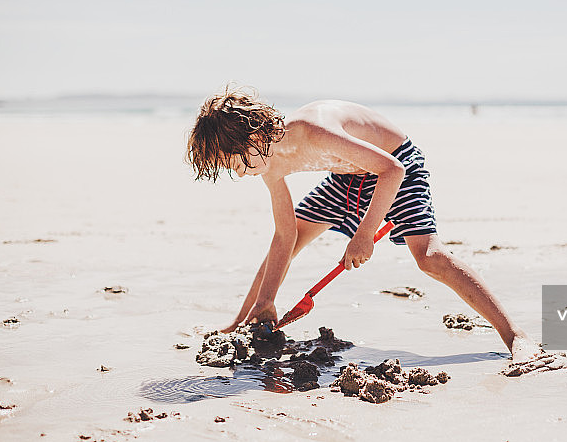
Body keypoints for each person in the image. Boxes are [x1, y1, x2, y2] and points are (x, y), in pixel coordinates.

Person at [187, 86, 545, 364]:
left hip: (394, 164)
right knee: (288, 239)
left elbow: (392, 169)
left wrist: (363, 235)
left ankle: (515, 336)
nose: (235, 171)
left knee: (429, 257)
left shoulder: (313, 131)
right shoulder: (269, 164)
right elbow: (284, 235)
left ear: (252, 136)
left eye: (231, 160)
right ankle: (245, 316)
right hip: (346, 178)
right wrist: (267, 301)